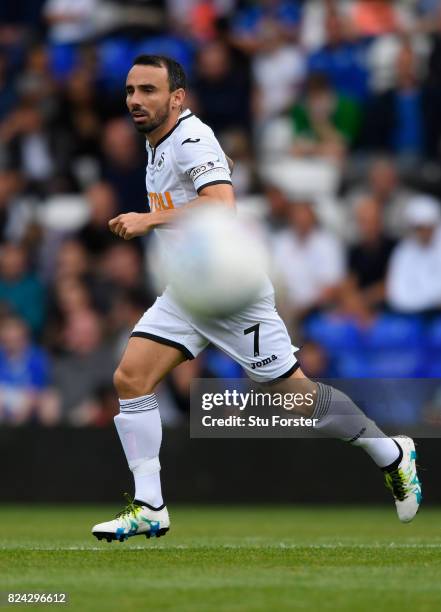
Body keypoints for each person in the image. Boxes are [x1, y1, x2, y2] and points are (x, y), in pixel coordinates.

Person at [91, 55, 421, 543]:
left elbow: (222, 204)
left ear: (176, 98)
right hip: (189, 290)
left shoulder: (188, 136)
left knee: (297, 400)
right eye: (131, 90)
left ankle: (390, 452)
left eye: (149, 90)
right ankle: (150, 507)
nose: (136, 100)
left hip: (230, 293)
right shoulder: (159, 142)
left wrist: (147, 218)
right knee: (131, 377)